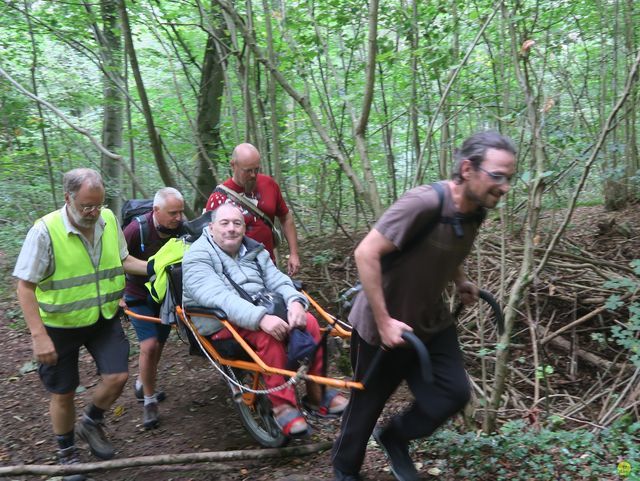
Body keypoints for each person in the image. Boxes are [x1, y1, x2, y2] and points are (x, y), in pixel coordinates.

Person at [331, 131, 517, 481]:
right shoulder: (422, 203)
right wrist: (385, 322)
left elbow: (446, 246)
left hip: (430, 321)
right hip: (382, 325)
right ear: (467, 169)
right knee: (367, 405)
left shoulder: (476, 209)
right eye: (497, 175)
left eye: (509, 177)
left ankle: (395, 438)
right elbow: (366, 252)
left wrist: (460, 279)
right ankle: (345, 470)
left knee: (453, 392)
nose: (504, 186)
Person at [13, 168, 147, 478]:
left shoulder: (109, 220)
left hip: (103, 316)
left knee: (117, 376)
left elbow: (124, 260)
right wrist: (38, 336)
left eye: (98, 204)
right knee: (64, 392)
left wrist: (155, 267)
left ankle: (91, 421)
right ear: (68, 198)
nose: (93, 212)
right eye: (86, 205)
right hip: (58, 324)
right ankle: (67, 452)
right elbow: (25, 287)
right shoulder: (45, 231)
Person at [182, 203, 347, 436]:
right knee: (267, 334)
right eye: (224, 223)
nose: (231, 229)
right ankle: (283, 407)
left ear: (244, 228)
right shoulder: (197, 257)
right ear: (211, 228)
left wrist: (295, 303)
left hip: (261, 309)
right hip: (220, 322)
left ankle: (317, 394)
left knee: (308, 322)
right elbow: (218, 298)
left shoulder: (254, 250)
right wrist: (261, 319)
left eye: (237, 223)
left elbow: (278, 280)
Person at [123, 187, 185, 429]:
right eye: (173, 213)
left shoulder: (182, 228)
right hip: (138, 294)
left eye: (181, 212)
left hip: (166, 296)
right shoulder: (135, 229)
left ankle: (143, 382)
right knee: (148, 345)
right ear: (156, 211)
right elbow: (118, 260)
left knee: (158, 345)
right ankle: (149, 401)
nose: (179, 217)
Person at [205, 142, 301, 276]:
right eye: (248, 170)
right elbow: (209, 240)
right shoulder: (219, 198)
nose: (253, 175)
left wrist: (294, 253)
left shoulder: (269, 184)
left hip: (269, 266)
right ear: (233, 165)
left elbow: (286, 217)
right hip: (238, 272)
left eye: (256, 169)